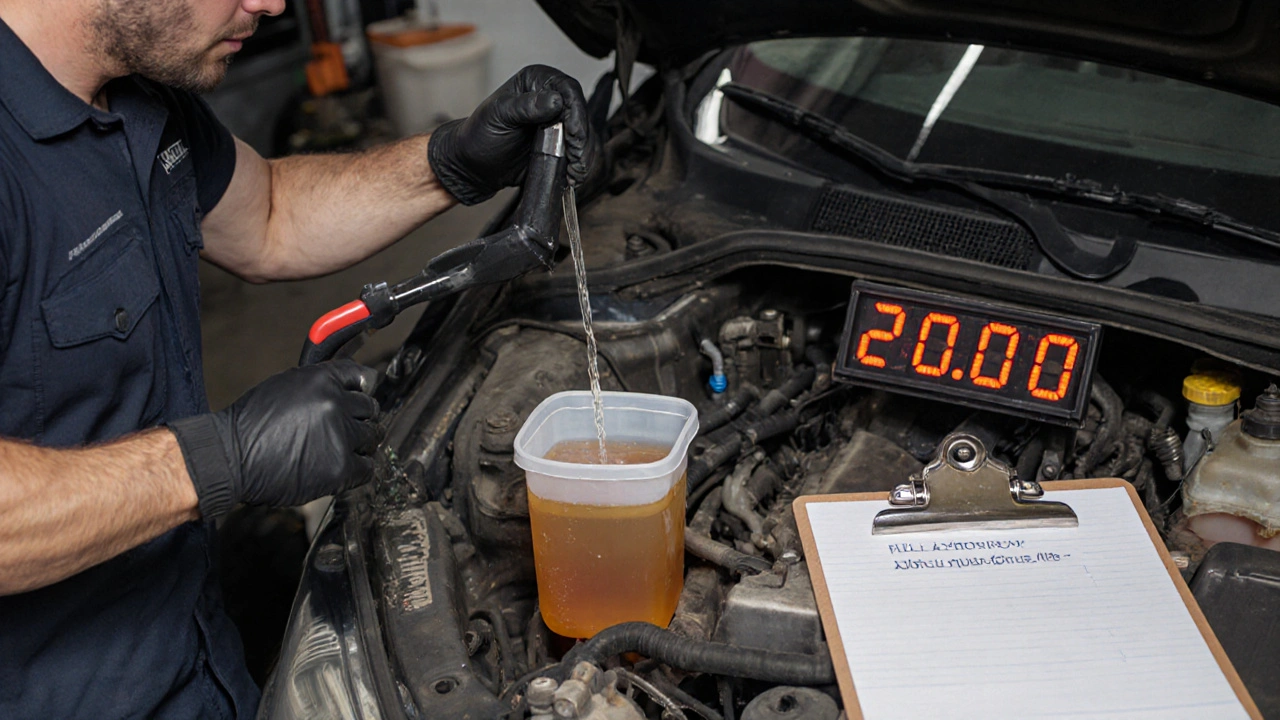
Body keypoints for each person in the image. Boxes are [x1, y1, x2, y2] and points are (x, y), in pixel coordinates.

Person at [0, 0, 599, 717]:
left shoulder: (138, 94)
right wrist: (218, 460)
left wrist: (449, 163)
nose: (272, 3)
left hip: (194, 657)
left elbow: (269, 214)